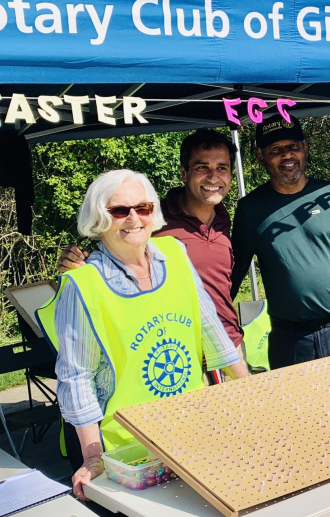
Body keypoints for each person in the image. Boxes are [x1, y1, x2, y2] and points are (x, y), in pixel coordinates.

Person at [37, 170, 248, 500]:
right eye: (120, 211)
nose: (134, 219)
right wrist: (92, 457)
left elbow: (211, 328)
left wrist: (249, 389)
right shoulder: (81, 285)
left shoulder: (176, 254)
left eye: (143, 208)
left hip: (193, 433)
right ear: (99, 219)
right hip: (128, 453)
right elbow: (76, 377)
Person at [58, 130, 271, 374]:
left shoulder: (224, 217)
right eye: (203, 167)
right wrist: (73, 260)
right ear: (184, 172)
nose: (214, 176)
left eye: (222, 168)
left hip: (230, 347)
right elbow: (109, 251)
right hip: (178, 356)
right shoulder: (150, 223)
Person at [230, 114, 330, 369]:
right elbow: (231, 280)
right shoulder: (250, 210)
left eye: (293, 146)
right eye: (276, 149)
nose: (287, 155)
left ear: (305, 148)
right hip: (291, 342)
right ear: (260, 157)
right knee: (300, 411)